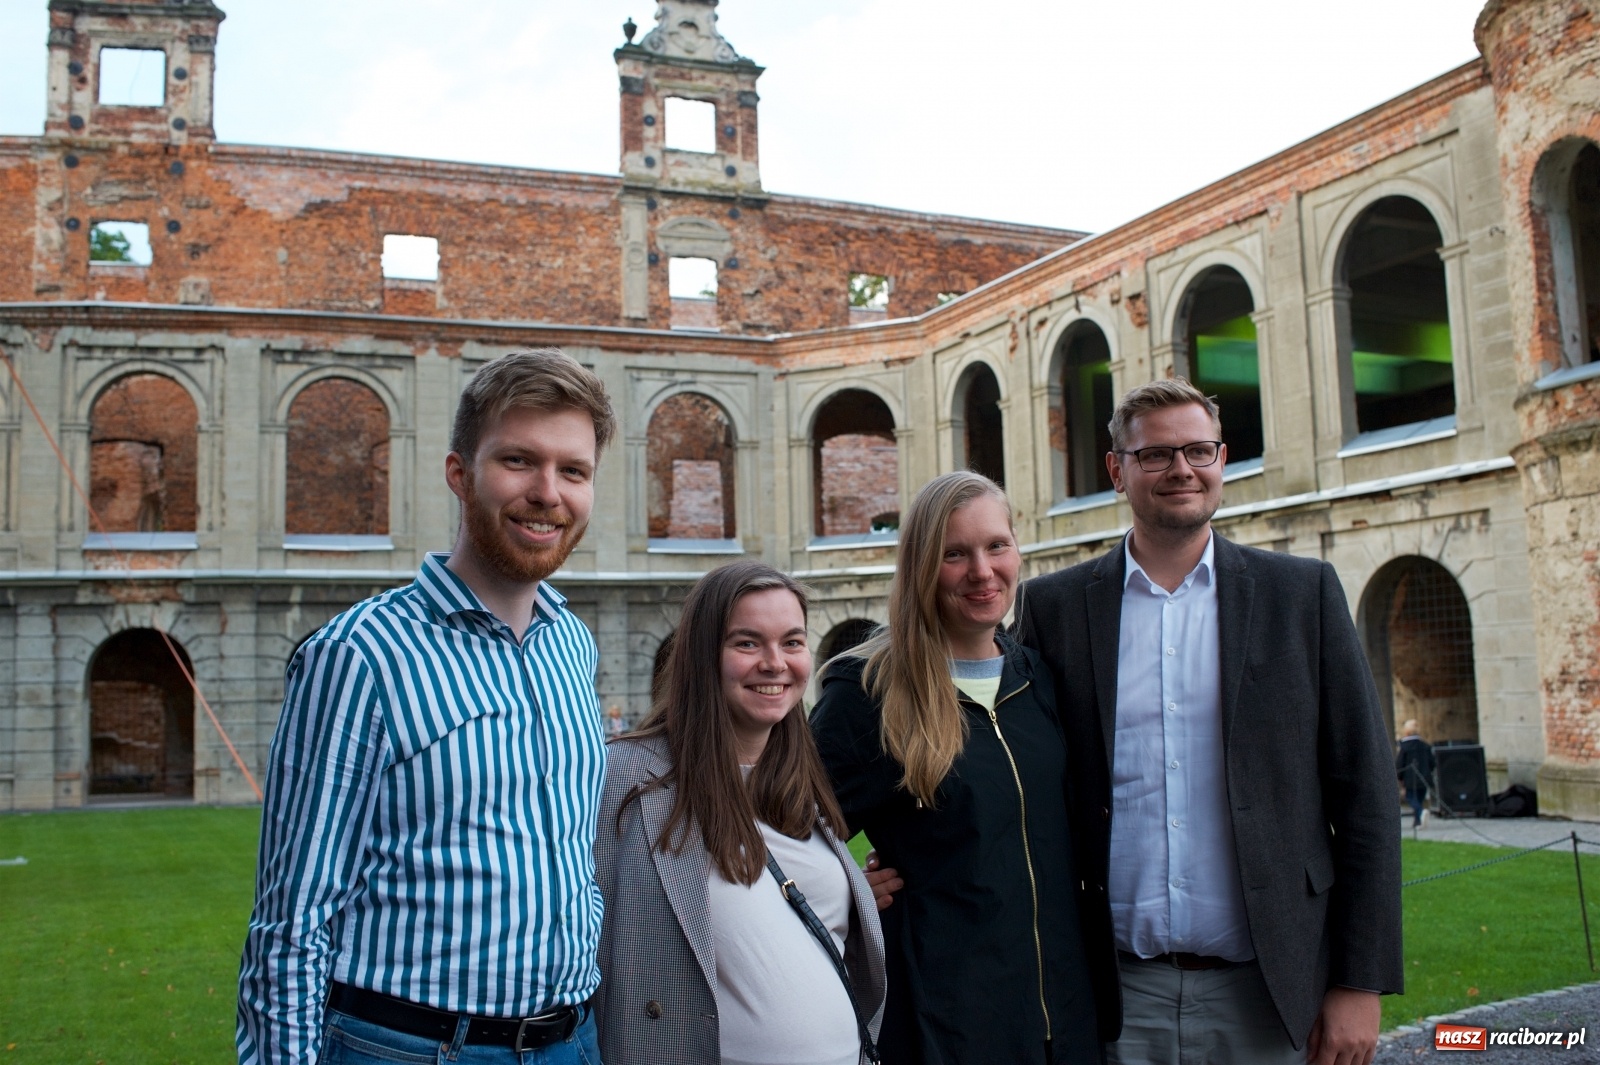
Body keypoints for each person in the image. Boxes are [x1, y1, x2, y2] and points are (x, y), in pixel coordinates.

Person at [237, 349, 617, 1065]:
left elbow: (570, 856)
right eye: (518, 461)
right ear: (459, 473)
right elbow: (291, 924)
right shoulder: (358, 654)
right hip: (412, 1047)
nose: (548, 491)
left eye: (573, 470)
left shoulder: (570, 643)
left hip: (570, 1040)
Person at [1013, 378, 1403, 1065]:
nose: (1181, 469)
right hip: (1111, 995)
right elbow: (1014, 775)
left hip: (1270, 990)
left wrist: (1360, 979)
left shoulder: (1301, 596)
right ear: (1117, 469)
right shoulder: (1055, 609)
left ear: (1222, 458)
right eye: (1156, 455)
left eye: (1199, 450)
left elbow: (1366, 793)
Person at [811, 471, 1108, 1065]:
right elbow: (772, 834)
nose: (982, 571)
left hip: (1068, 1024)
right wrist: (835, 888)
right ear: (922, 566)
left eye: (997, 545)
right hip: (945, 1028)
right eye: (955, 554)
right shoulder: (866, 693)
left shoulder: (1038, 678)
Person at [595, 560, 884, 1065]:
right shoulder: (629, 777)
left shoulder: (798, 778)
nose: (775, 663)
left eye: (792, 642)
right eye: (747, 643)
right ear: (704, 656)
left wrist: (852, 887)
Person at [1396, 719, 1435, 828]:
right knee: (1419, 799)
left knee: (1411, 798)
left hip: (1410, 778)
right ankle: (1418, 821)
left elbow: (1400, 763)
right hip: (1424, 777)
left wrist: (1400, 777)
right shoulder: (1425, 746)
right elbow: (1432, 762)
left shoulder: (1405, 747)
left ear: (1406, 732)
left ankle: (1421, 813)